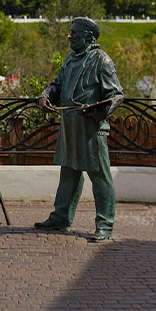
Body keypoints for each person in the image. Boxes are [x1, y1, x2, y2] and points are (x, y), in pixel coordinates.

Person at [35, 17, 124, 243]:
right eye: (70, 32)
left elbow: (116, 95)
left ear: (88, 36)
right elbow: (57, 84)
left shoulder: (101, 60)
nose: (70, 36)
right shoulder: (71, 60)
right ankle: (61, 218)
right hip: (69, 126)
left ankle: (104, 225)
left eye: (74, 32)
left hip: (91, 128)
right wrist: (46, 95)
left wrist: (98, 111)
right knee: (69, 173)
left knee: (100, 176)